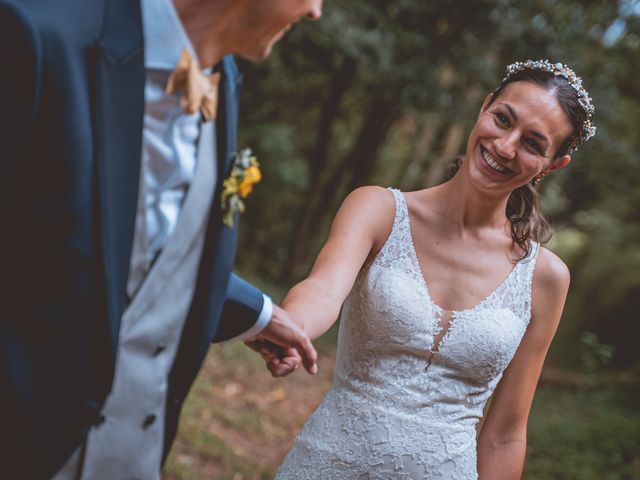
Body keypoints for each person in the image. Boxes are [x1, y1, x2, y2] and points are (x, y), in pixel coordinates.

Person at [0, 0, 323, 478]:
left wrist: (253, 313)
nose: (315, 11)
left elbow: (128, 243)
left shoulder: (223, 77)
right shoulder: (33, 36)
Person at [271, 60, 596, 479]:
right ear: (484, 108)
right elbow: (323, 289)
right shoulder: (378, 209)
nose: (505, 146)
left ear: (553, 165)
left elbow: (505, 434)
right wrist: (289, 326)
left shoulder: (546, 278)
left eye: (533, 144)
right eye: (502, 119)